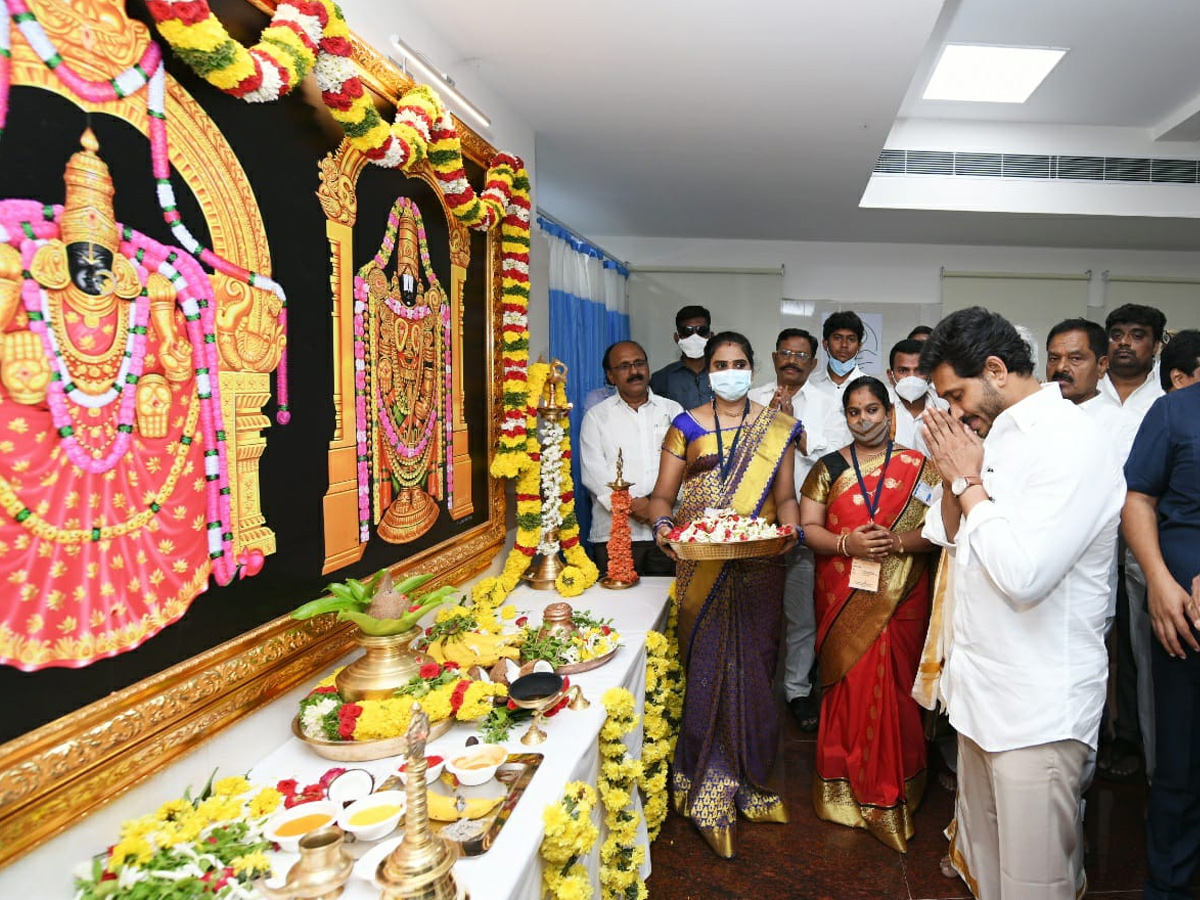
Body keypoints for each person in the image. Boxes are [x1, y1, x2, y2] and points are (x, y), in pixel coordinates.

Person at [918, 307, 1123, 900]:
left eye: (958, 393)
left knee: (1035, 885)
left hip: (1038, 709)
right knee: (987, 872)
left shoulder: (1072, 440)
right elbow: (952, 536)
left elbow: (1024, 574)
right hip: (981, 697)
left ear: (996, 369)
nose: (955, 410)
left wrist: (968, 481)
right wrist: (954, 474)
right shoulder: (994, 432)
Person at [648, 331, 801, 858]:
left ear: (751, 366)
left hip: (759, 565)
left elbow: (785, 497)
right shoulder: (684, 425)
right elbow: (662, 497)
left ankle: (754, 782)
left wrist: (791, 535)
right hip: (702, 566)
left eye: (738, 363)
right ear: (707, 370)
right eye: (720, 363)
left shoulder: (776, 427)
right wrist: (666, 528)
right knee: (710, 669)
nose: (729, 370)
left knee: (756, 670)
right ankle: (708, 790)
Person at [800, 376, 939, 852]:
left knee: (897, 689)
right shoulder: (825, 467)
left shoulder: (921, 468)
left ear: (889, 412)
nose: (864, 420)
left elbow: (941, 531)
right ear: (846, 418)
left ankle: (894, 789)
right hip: (843, 592)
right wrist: (848, 543)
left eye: (872, 410)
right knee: (852, 683)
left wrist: (897, 541)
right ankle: (844, 787)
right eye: (855, 413)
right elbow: (807, 530)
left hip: (904, 596)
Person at [1123, 346, 1200, 900]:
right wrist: (1159, 579)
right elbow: (1139, 498)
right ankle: (1167, 883)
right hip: (1184, 614)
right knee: (1180, 756)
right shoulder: (1175, 410)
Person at [748, 328, 839, 731]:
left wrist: (794, 429)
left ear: (813, 364)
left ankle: (797, 691)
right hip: (756, 527)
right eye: (785, 352)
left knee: (802, 617)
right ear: (773, 356)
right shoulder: (750, 399)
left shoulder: (829, 403)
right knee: (755, 614)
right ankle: (752, 689)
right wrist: (766, 419)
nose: (792, 360)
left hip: (807, 525)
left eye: (801, 355)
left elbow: (836, 454)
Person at [1097, 303, 1167, 784]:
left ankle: (1146, 745)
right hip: (1092, 540)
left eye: (1137, 335)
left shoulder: (1167, 400)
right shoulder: (1080, 398)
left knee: (1144, 644)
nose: (1125, 342)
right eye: (1117, 334)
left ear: (1157, 346)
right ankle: (1098, 735)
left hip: (1150, 540)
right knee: (1092, 640)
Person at [580, 340, 682, 577]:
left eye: (639, 363)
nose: (634, 371)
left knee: (671, 606)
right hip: (615, 535)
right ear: (610, 375)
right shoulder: (597, 417)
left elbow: (686, 466)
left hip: (668, 530)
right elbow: (593, 472)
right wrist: (633, 506)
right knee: (617, 608)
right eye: (624, 366)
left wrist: (658, 508)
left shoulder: (673, 410)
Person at [649, 304, 714, 409]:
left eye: (701, 330)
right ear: (677, 337)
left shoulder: (724, 374)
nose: (695, 337)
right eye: (687, 331)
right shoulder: (661, 379)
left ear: (711, 336)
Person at [811, 311, 870, 399]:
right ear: (825, 343)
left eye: (851, 339)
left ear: (859, 346)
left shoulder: (871, 386)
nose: (844, 345)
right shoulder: (810, 382)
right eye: (837, 338)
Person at [888, 338, 932, 455]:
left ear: (930, 374)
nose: (911, 377)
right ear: (890, 375)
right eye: (903, 370)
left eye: (920, 370)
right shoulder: (878, 408)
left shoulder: (945, 408)